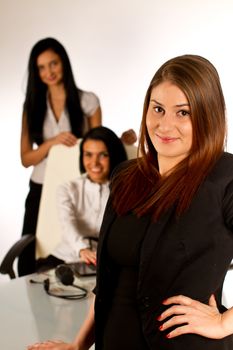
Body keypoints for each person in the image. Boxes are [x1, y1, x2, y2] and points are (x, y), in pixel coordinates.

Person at [27, 53, 233, 350]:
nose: (165, 125)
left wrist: (223, 323)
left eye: (183, 113)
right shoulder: (126, 176)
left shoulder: (225, 178)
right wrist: (78, 345)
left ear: (207, 114)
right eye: (158, 109)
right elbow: (109, 279)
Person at [19, 37, 136, 276]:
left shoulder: (87, 101)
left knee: (81, 242)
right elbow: (26, 158)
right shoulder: (32, 105)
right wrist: (52, 143)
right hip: (40, 186)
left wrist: (121, 143)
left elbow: (96, 143)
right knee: (29, 254)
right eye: (41, 67)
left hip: (77, 182)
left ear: (64, 63)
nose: (48, 72)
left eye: (53, 63)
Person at [36, 126, 127, 271]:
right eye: (88, 155)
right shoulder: (67, 189)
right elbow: (67, 224)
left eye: (103, 155)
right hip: (65, 256)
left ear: (113, 155)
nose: (94, 163)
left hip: (104, 260)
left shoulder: (125, 192)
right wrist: (82, 249)